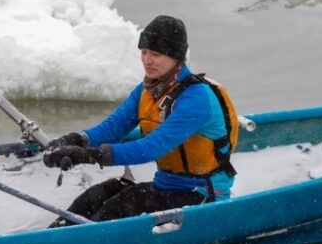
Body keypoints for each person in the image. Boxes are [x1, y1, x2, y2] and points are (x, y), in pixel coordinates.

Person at [43, 15, 238, 223]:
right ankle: (53, 238)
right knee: (99, 194)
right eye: (144, 52)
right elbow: (113, 127)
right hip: (164, 186)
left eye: (155, 54)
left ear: (176, 57)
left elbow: (152, 147)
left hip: (201, 195)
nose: (147, 60)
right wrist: (75, 140)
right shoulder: (148, 90)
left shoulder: (196, 98)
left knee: (125, 203)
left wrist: (88, 156)